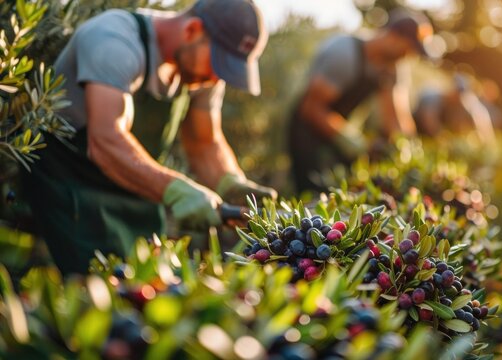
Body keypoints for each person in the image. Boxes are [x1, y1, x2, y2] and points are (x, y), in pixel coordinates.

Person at [21, 0, 277, 274]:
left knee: (148, 286)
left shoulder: (201, 72)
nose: (217, 78)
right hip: (72, 188)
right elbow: (105, 142)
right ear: (192, 30)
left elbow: (204, 142)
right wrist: (178, 191)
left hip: (138, 191)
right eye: (217, 64)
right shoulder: (114, 40)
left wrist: (231, 183)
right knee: (92, 291)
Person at [287, 8, 433, 193]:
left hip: (340, 128)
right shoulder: (344, 54)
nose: (409, 55)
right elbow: (311, 108)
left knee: (342, 191)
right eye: (408, 48)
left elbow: (396, 117)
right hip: (307, 128)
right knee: (313, 192)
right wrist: (349, 139)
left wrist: (407, 153)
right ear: (393, 36)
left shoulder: (392, 67)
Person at [413, 72, 502, 144]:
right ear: (452, 89)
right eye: (457, 92)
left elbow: (480, 117)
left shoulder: (462, 103)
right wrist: (443, 139)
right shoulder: (432, 96)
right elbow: (429, 122)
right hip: (419, 132)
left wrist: (485, 140)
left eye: (462, 95)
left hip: (438, 138)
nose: (459, 97)